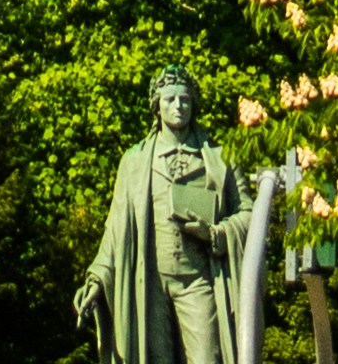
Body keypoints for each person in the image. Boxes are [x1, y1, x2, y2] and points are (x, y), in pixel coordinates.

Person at [76, 63, 253, 364]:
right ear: (156, 105)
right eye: (170, 99)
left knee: (208, 357)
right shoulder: (133, 162)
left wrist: (215, 234)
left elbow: (250, 214)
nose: (178, 106)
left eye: (185, 99)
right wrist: (96, 281)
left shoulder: (221, 158)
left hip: (197, 280)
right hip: (150, 283)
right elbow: (116, 230)